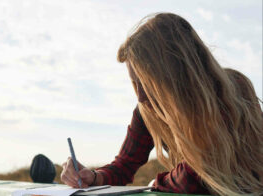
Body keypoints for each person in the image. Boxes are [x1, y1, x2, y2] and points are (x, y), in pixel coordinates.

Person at [60, 13, 263, 195]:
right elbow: (125, 165)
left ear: (173, 74)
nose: (140, 97)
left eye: (147, 83)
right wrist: (94, 176)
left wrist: (154, 183)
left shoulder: (230, 89)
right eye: (135, 83)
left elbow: (196, 176)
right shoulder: (148, 109)